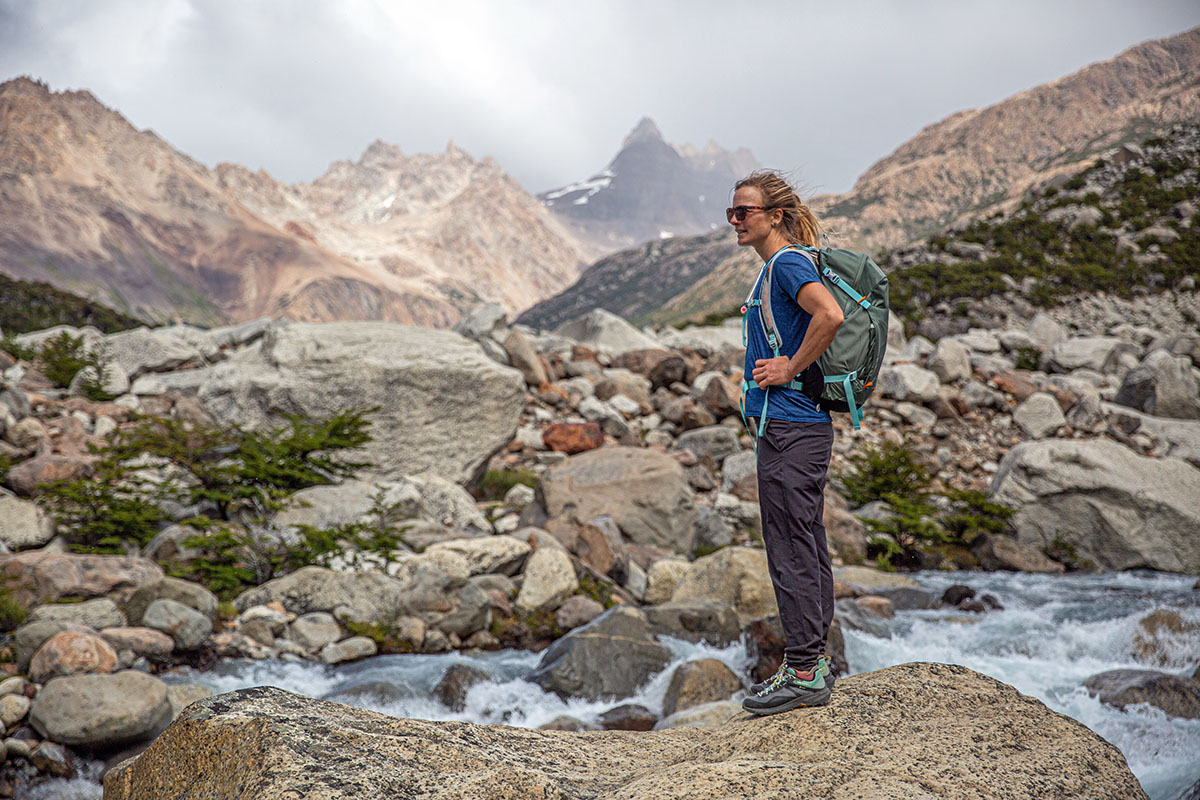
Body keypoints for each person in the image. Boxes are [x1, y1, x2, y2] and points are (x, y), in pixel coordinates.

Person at [729, 171, 844, 715]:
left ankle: (803, 670)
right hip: (794, 426)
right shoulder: (778, 267)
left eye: (745, 211)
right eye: (732, 213)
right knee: (804, 538)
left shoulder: (787, 263)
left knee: (790, 545)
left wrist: (789, 368)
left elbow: (831, 314)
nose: (736, 221)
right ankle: (815, 661)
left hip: (794, 427)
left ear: (774, 216)